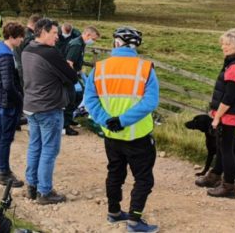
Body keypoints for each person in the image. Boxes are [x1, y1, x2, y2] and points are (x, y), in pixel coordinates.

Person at [84, 26, 160, 233]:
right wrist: (124, 120)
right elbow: (151, 101)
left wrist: (107, 120)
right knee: (143, 178)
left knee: (115, 173)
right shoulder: (145, 68)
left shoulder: (99, 68)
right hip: (138, 136)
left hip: (111, 134)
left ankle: (114, 212)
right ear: (135, 46)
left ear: (116, 43)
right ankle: (135, 221)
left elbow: (89, 99)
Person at [21, 18, 78, 205]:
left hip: (31, 105)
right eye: (54, 33)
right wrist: (68, 70)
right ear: (43, 32)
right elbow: (72, 78)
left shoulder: (27, 48)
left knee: (35, 146)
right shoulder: (50, 53)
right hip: (48, 107)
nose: (57, 37)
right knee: (49, 149)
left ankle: (31, 186)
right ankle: (45, 191)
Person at [195, 28, 235, 199]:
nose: (224, 47)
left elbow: (229, 97)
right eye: (223, 43)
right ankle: (215, 176)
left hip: (229, 113)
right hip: (230, 112)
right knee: (222, 147)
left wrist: (217, 116)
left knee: (226, 149)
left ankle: (229, 187)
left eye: (228, 44)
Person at [0, 22, 26, 187]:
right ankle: (4, 172)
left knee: (0, 136)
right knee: (6, 138)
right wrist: (20, 99)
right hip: (7, 102)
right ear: (12, 37)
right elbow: (8, 85)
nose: (22, 40)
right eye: (20, 37)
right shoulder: (7, 57)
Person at [14, 14, 40, 88]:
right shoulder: (31, 37)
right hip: (26, 69)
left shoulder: (20, 32)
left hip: (18, 65)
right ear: (35, 24)